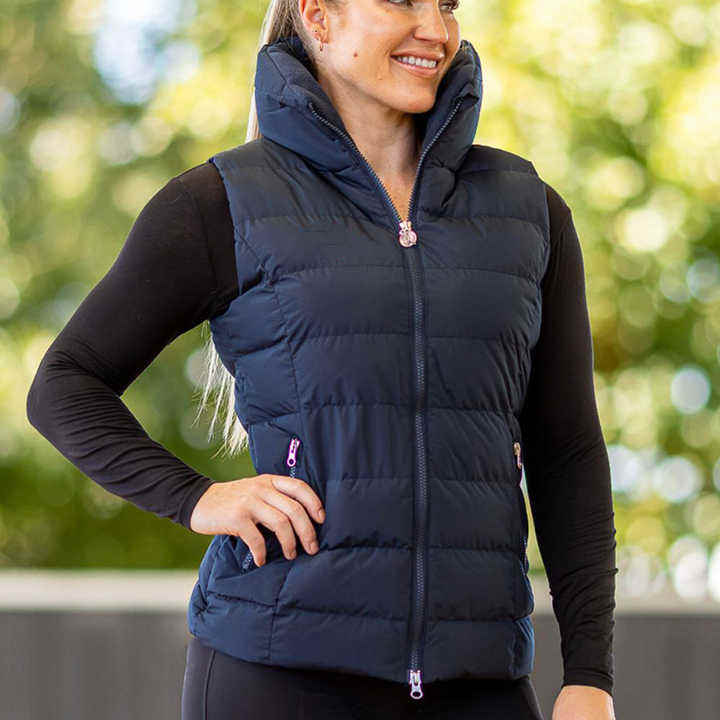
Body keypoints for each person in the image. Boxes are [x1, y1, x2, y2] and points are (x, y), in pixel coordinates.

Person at [26, 1, 618, 718]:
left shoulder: (526, 211)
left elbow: (567, 451)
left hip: (480, 680)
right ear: (317, 15)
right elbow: (65, 384)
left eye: (448, 5)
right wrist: (198, 498)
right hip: (276, 674)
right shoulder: (223, 201)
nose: (435, 30)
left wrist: (590, 675)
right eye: (402, 0)